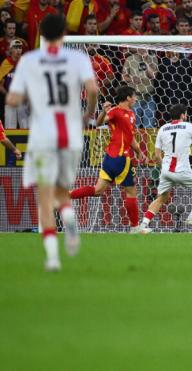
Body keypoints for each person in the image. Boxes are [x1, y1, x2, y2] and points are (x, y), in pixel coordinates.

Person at [6, 14, 98, 271]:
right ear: (64, 34)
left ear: (41, 35)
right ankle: (69, 219)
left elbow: (12, 100)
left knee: (45, 197)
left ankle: (53, 258)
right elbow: (92, 90)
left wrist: (29, 97)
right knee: (60, 191)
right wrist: (88, 115)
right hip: (70, 136)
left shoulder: (30, 60)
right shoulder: (78, 58)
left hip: (42, 137)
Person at [69, 86, 148, 234]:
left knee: (98, 190)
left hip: (110, 158)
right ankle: (135, 227)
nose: (136, 99)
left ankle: (66, 195)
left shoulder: (131, 114)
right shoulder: (115, 111)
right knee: (131, 192)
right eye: (134, 96)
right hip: (121, 158)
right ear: (128, 97)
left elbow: (130, 138)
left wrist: (139, 152)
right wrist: (104, 111)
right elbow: (98, 123)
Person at [139, 104, 192, 231]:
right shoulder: (189, 127)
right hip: (182, 171)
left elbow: (157, 156)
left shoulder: (163, 129)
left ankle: (143, 226)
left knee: (161, 198)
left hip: (166, 170)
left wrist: (165, 169)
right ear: (183, 115)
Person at [121, 48, 157, 128]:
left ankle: (147, 141)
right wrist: (132, 79)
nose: (142, 49)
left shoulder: (153, 58)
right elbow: (123, 77)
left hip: (149, 97)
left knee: (149, 126)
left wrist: (146, 61)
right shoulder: (130, 59)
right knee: (134, 126)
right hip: (135, 98)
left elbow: (153, 75)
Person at [0, 41, 28, 129]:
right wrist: (7, 94)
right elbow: (0, 85)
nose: (18, 50)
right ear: (11, 50)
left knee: (25, 126)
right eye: (16, 47)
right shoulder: (6, 63)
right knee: (9, 127)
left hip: (23, 99)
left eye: (20, 47)